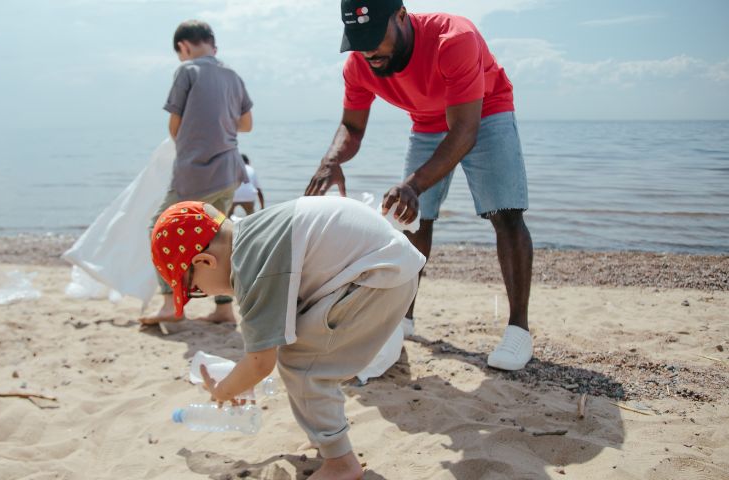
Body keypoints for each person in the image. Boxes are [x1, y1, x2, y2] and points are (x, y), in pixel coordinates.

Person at [305, 0, 534, 371]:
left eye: (374, 37)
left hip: (484, 111)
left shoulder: (453, 39)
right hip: (427, 123)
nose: (367, 51)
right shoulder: (360, 65)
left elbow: (464, 131)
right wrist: (331, 161)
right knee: (411, 218)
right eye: (357, 41)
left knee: (505, 213)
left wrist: (413, 183)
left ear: (401, 16)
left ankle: (518, 330)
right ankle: (404, 317)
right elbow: (353, 126)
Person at [151, 197, 425, 480]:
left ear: (205, 261)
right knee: (301, 352)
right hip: (387, 266)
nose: (202, 294)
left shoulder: (249, 265)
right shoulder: (254, 234)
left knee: (303, 364)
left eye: (195, 289)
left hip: (377, 277)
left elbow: (260, 362)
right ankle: (325, 438)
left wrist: (224, 391)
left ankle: (341, 463)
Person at [141, 19, 253, 326]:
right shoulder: (232, 75)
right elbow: (246, 124)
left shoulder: (187, 71)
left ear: (184, 46)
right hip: (229, 171)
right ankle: (224, 308)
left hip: (196, 171)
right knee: (220, 237)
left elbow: (174, 126)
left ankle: (168, 303)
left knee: (159, 229)